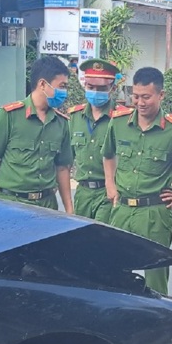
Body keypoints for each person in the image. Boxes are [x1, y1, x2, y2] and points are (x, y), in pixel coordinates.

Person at [102, 67, 172, 295]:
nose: (140, 102)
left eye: (146, 97)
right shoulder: (119, 122)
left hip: (154, 213)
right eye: (136, 96)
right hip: (121, 210)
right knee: (114, 270)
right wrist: (110, 185)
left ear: (161, 95)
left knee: (156, 278)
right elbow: (108, 154)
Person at [0, 56, 74, 212]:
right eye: (61, 86)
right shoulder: (8, 116)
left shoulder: (61, 123)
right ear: (42, 84)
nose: (64, 93)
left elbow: (62, 168)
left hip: (47, 206)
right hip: (11, 204)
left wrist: (69, 210)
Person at [68, 59, 125, 223]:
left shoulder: (123, 118)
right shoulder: (74, 118)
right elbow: (66, 160)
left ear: (112, 88)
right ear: (85, 86)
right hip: (83, 193)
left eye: (101, 89)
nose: (95, 92)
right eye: (91, 87)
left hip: (109, 192)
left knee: (102, 240)